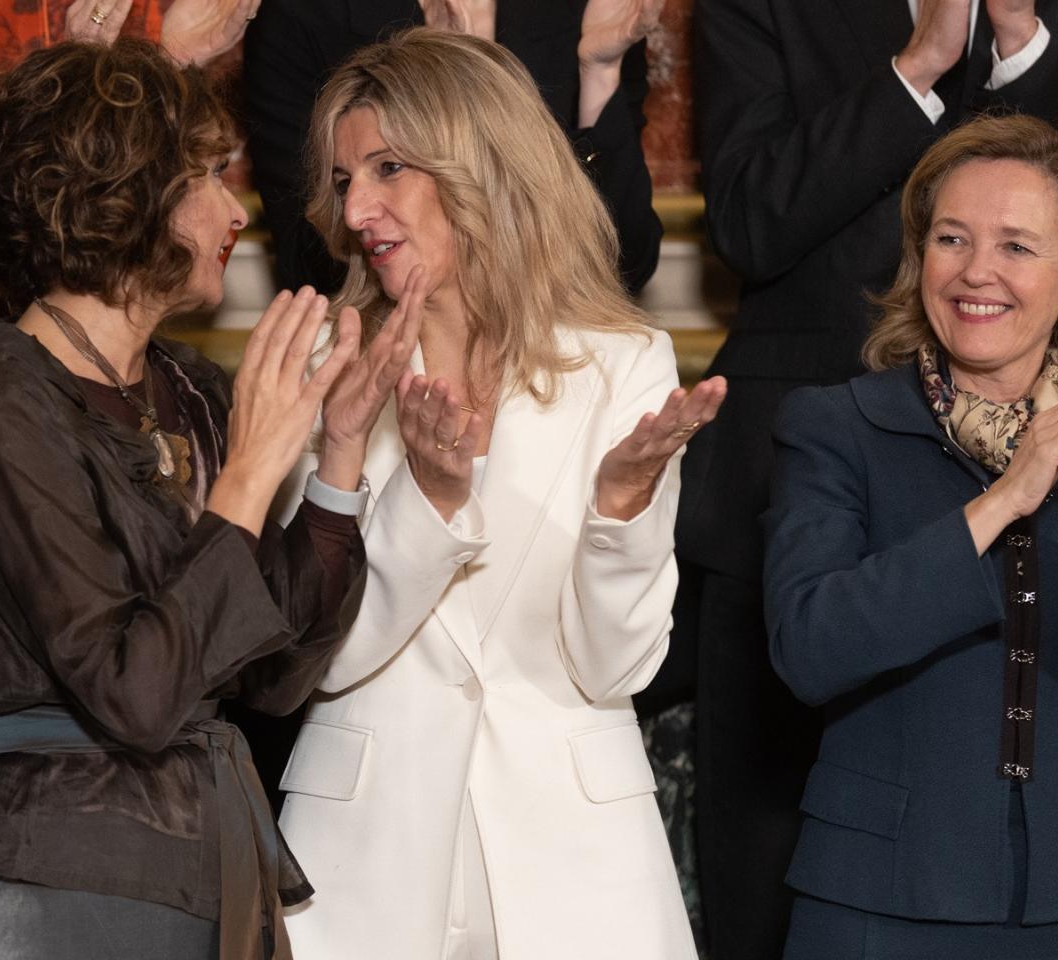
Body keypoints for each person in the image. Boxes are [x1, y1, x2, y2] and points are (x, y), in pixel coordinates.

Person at [0, 38, 411, 960]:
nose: (236, 208)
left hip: (207, 858)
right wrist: (248, 477)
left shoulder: (192, 390)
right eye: (206, 174)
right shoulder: (0, 407)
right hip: (58, 870)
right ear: (123, 193)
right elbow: (135, 694)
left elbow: (276, 677)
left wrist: (336, 458)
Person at [685, 2, 1058, 955]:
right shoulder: (837, 428)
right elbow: (812, 648)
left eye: (1017, 245)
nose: (977, 273)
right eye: (950, 239)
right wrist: (1004, 498)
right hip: (876, 907)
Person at [273, 29, 721, 959]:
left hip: (579, 868)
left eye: (387, 168)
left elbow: (615, 669)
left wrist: (621, 509)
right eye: (344, 179)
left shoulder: (623, 361)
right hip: (362, 864)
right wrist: (428, 504)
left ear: (479, 163)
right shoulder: (323, 364)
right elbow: (316, 658)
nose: (356, 209)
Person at [243, 0, 664, 296]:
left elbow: (627, 262)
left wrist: (600, 72)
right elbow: (309, 267)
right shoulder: (303, 13)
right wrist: (434, 86)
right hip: (391, 352)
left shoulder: (581, 9)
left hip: (555, 342)